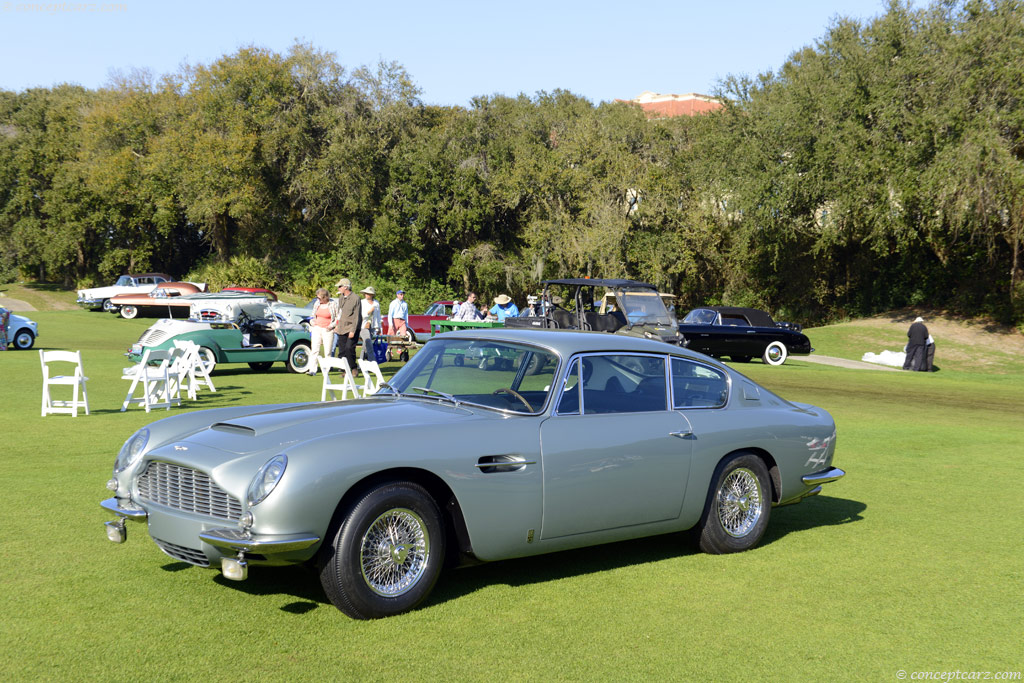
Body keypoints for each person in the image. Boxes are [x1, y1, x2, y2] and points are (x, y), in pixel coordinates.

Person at [333, 278, 362, 373]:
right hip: (341, 327)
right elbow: (339, 313)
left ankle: (353, 367)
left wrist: (353, 330)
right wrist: (337, 325)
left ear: (346, 287)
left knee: (349, 348)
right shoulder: (341, 298)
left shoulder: (356, 298)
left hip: (352, 328)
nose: (338, 288)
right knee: (342, 350)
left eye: (340, 286)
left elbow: (357, 316)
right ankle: (344, 370)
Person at [307, 288, 338, 375]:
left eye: (320, 298)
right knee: (314, 349)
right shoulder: (317, 304)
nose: (318, 300)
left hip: (327, 329)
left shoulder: (333, 304)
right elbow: (313, 315)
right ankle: (312, 370)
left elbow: (337, 318)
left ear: (325, 297)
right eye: (318, 298)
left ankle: (326, 370)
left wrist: (331, 326)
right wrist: (312, 322)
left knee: (327, 351)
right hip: (317, 328)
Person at [359, 286, 382, 361]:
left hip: (372, 327)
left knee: (365, 345)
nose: (366, 295)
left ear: (372, 295)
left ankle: (361, 361)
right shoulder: (362, 302)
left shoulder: (376, 303)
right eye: (365, 293)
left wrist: (379, 328)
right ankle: (372, 361)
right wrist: (369, 311)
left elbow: (378, 317)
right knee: (368, 343)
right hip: (363, 326)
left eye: (368, 294)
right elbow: (361, 315)